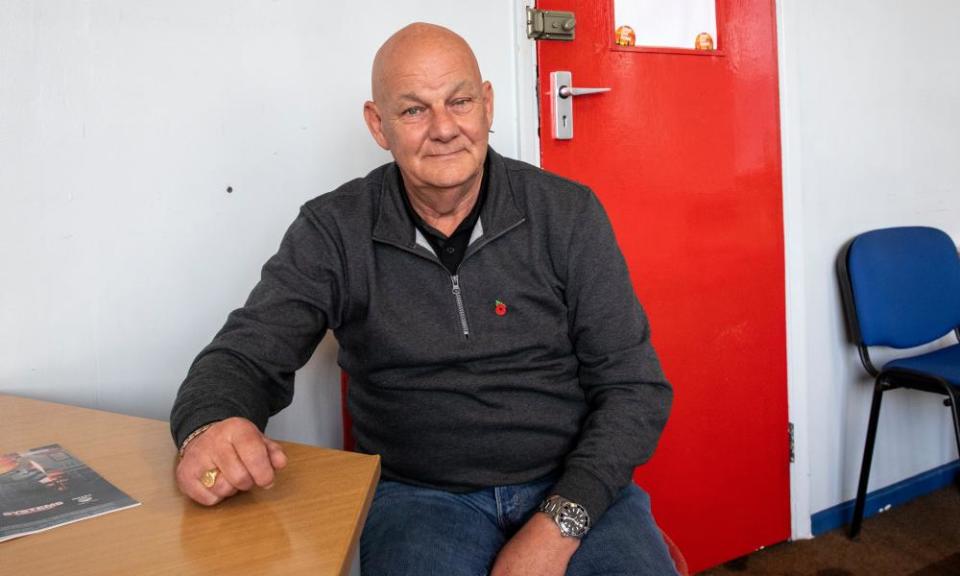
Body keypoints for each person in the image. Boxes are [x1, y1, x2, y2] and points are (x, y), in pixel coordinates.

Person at [170, 22, 676, 576]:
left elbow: (634, 388)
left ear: (486, 105)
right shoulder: (333, 229)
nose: (443, 129)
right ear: (377, 125)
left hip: (573, 483)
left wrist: (558, 525)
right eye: (413, 110)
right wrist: (209, 426)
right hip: (418, 497)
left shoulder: (568, 213)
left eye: (459, 101)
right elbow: (244, 354)